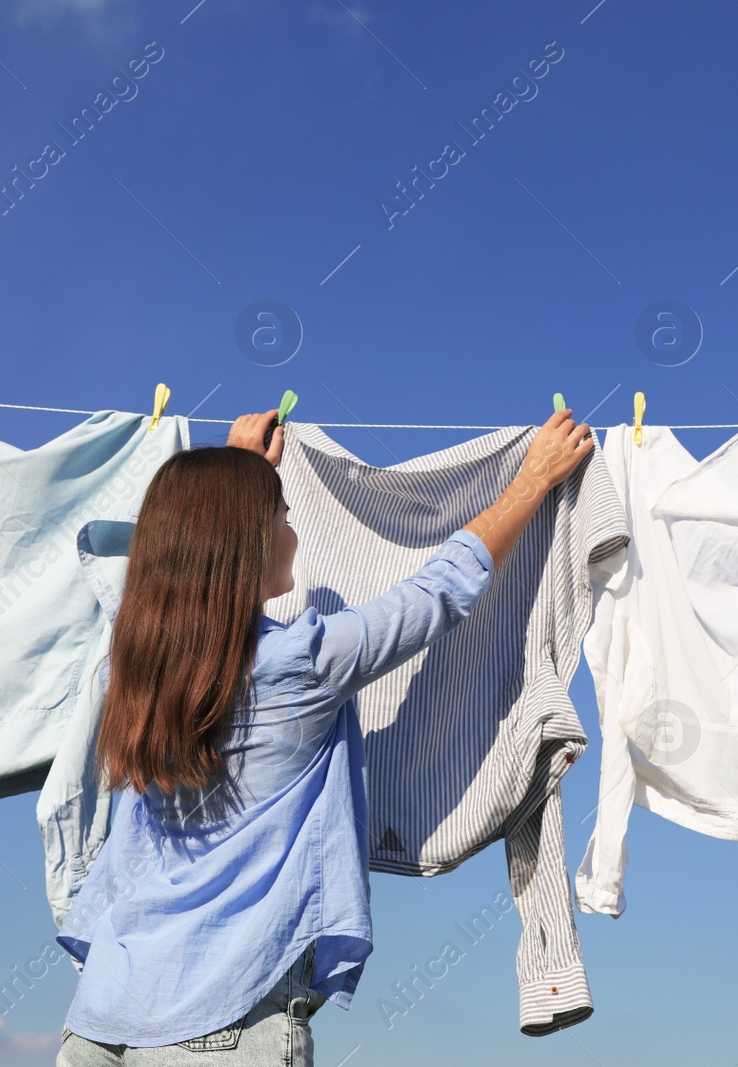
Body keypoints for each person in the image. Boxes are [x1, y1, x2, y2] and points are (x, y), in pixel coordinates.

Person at [56, 405, 595, 1065]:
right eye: (282, 516)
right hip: (224, 1020)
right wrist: (530, 481)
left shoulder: (129, 669)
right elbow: (437, 592)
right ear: (244, 539)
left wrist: (238, 471)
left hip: (100, 1020)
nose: (293, 532)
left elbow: (175, 564)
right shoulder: (301, 663)